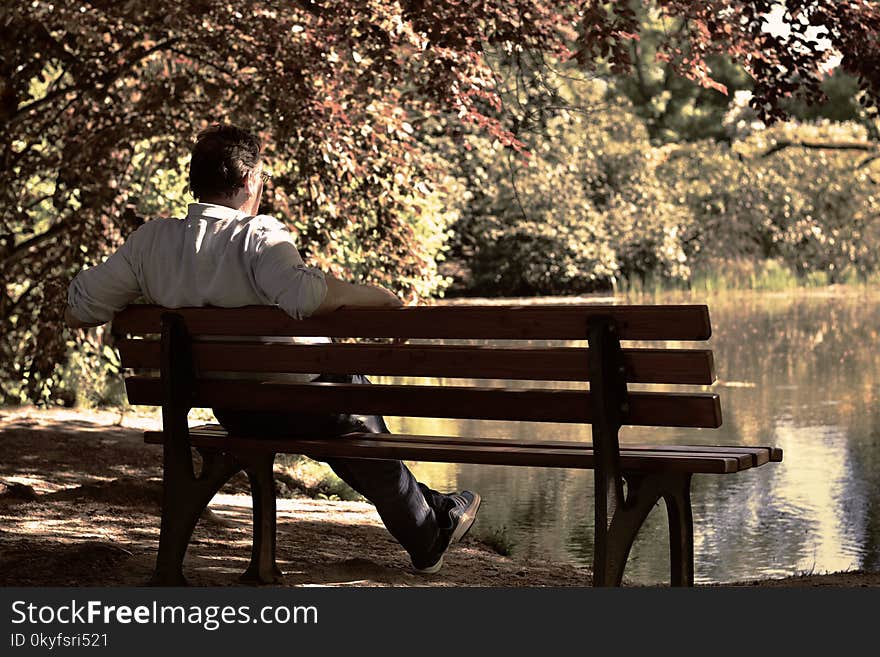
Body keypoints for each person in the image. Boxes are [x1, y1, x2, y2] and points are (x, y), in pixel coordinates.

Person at [64, 124, 480, 574]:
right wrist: (384, 298)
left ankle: (434, 511)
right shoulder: (258, 235)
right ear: (249, 180)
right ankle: (426, 531)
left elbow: (80, 309)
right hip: (306, 404)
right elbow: (304, 297)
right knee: (348, 404)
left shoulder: (151, 242)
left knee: (342, 417)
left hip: (231, 409)